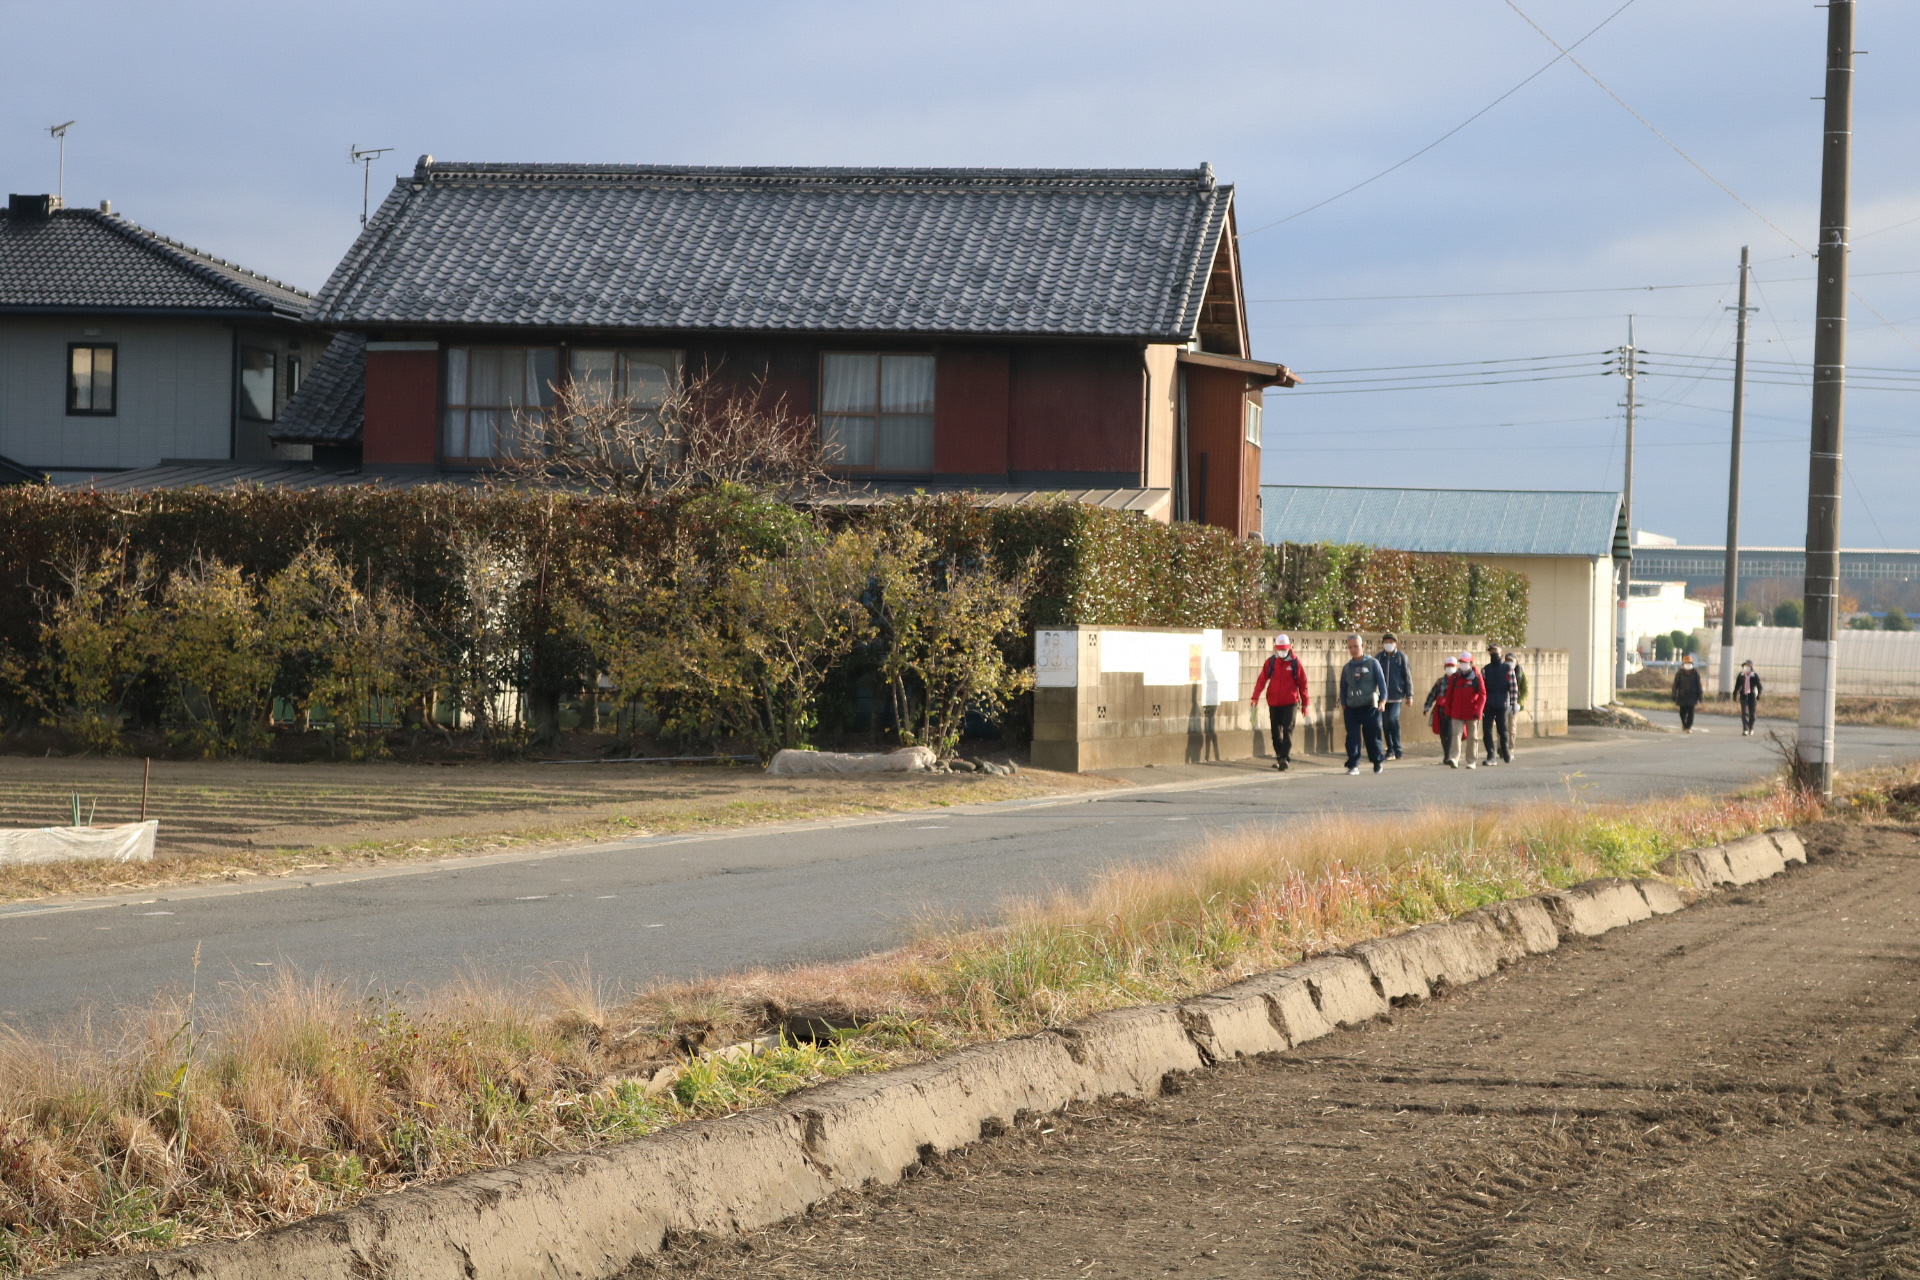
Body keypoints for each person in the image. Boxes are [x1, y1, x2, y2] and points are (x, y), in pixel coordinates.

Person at [1249, 634, 1311, 771]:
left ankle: (1284, 758)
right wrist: (1255, 697)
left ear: (1290, 647)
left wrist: (1305, 704)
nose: (1282, 651)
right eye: (1280, 649)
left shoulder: (1295, 663)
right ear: (1275, 648)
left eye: (1284, 649)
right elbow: (1262, 680)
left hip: (1291, 702)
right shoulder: (1271, 662)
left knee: (1288, 730)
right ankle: (1280, 757)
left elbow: (1303, 684)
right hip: (1274, 702)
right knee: (1275, 733)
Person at [1338, 632, 1389, 775]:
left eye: (1356, 646)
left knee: (1373, 736)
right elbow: (1343, 687)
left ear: (1362, 646)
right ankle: (1353, 764)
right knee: (1352, 737)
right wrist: (1344, 703)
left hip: (1370, 706)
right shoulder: (1347, 668)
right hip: (1352, 707)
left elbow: (1382, 684)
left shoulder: (1373, 663)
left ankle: (1377, 761)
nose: (1353, 649)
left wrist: (1383, 701)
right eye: (1350, 647)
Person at [1438, 649, 1487, 768]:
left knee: (1473, 737)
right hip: (1457, 712)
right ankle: (1454, 758)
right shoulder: (1455, 678)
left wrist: (1478, 710)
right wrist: (1448, 711)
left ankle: (1471, 761)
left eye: (1466, 662)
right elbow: (1449, 695)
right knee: (1456, 734)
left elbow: (1482, 695)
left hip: (1472, 712)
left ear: (1471, 663)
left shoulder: (1477, 677)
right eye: (1461, 662)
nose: (1463, 664)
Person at [1480, 642, 1523, 765]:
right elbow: (1482, 688)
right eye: (1491, 651)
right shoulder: (1486, 669)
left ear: (1501, 653)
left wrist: (1514, 703)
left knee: (1503, 729)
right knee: (1487, 730)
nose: (1493, 653)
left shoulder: (1507, 669)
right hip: (1488, 703)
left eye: (1496, 651)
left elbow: (1513, 687)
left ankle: (1505, 750)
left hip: (1502, 703)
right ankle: (1491, 755)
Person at [1376, 631, 1414, 761]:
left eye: (1391, 642)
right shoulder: (1379, 658)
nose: (1388, 644)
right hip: (1382, 697)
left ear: (1395, 643)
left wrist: (1409, 695)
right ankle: (1390, 749)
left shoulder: (1401, 657)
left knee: (1393, 719)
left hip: (1396, 695)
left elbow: (1407, 676)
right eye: (1386, 642)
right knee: (1385, 723)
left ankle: (1398, 749)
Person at [1672, 653, 1704, 732]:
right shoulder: (1679, 673)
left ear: (1692, 664)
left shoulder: (1695, 673)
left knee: (1691, 712)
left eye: (1689, 663)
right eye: (1686, 663)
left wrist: (1700, 696)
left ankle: (1688, 727)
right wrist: (1674, 695)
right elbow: (1675, 685)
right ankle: (1684, 724)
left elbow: (1699, 685)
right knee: (1682, 713)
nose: (1688, 665)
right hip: (1682, 696)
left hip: (1693, 696)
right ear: (1683, 664)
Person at [1733, 659, 1763, 736]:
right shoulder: (1741, 675)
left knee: (1752, 713)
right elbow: (1737, 686)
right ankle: (1745, 728)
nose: (1747, 668)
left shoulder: (1754, 676)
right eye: (1745, 667)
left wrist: (1759, 695)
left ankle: (1751, 727)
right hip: (1743, 695)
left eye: (1749, 667)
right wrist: (1735, 695)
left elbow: (1760, 687)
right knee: (1744, 712)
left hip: (1752, 696)